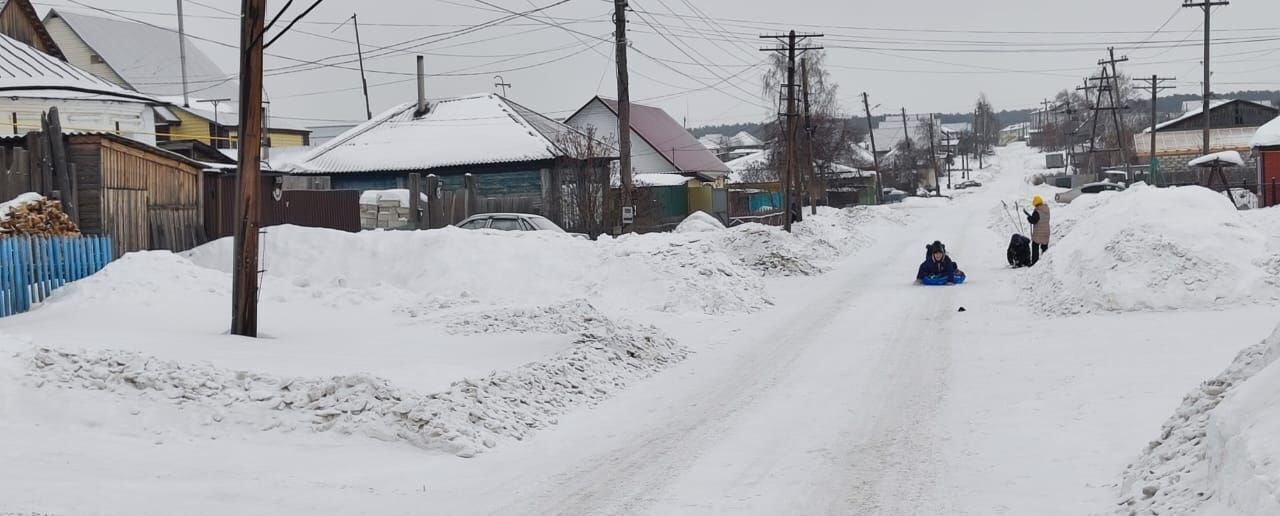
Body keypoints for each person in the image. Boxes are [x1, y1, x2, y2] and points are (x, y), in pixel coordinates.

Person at [1024, 195, 1051, 265]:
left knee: (1035, 246)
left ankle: (1034, 263)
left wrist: (1029, 218)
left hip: (1039, 233)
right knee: (1044, 248)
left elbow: (1034, 221)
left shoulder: (1037, 211)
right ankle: (1045, 263)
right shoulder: (1047, 210)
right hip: (1046, 232)